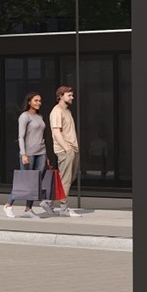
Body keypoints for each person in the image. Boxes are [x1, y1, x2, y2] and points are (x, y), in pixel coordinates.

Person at [4, 91, 48, 218]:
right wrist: (23, 154)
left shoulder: (40, 117)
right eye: (36, 100)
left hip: (41, 152)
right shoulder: (24, 116)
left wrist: (47, 156)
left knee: (35, 182)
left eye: (40, 100)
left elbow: (41, 136)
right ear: (29, 102)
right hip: (28, 153)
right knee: (23, 182)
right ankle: (8, 205)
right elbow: (21, 137)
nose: (39, 103)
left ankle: (28, 209)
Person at [48, 85, 81, 216]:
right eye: (69, 95)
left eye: (72, 95)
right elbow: (56, 132)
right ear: (60, 96)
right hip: (65, 150)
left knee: (68, 178)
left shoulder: (67, 111)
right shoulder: (57, 111)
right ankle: (63, 208)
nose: (72, 97)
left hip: (73, 149)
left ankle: (48, 202)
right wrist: (66, 148)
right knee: (65, 179)